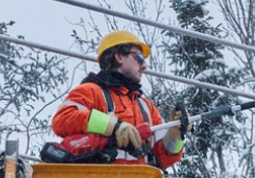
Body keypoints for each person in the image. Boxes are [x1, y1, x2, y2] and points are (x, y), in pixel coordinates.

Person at [51, 30, 186, 169]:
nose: (144, 66)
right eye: (139, 57)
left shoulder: (146, 107)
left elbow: (164, 158)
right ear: (119, 57)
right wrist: (112, 126)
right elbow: (62, 120)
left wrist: (174, 134)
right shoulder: (91, 91)